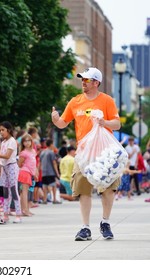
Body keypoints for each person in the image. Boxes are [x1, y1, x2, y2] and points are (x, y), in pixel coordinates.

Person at [51, 67, 121, 241]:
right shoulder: (75, 101)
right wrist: (55, 119)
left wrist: (104, 122)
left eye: (87, 80)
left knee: (108, 189)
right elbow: (62, 123)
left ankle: (105, 222)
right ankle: (85, 228)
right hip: (83, 153)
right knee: (83, 190)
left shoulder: (107, 100)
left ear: (96, 82)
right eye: (82, 79)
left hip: (104, 153)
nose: (83, 82)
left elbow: (117, 124)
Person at [0, 121, 21, 223]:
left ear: (8, 130)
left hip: (11, 167)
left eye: (3, 130)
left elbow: (7, 156)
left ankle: (18, 214)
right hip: (4, 168)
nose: (1, 132)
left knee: (14, 190)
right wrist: (0, 171)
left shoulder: (12, 141)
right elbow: (2, 159)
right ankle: (5, 214)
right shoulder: (3, 142)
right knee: (5, 191)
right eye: (0, 130)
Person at [18, 133, 38, 216]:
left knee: (28, 192)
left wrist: (35, 173)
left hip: (30, 173)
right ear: (22, 143)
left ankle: (26, 209)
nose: (27, 143)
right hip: (25, 172)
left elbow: (34, 164)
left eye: (29, 141)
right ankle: (24, 210)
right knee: (24, 192)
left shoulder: (33, 151)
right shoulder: (23, 153)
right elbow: (19, 164)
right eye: (25, 141)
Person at [40, 139, 61, 204]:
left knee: (45, 185)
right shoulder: (51, 152)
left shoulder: (42, 152)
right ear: (51, 144)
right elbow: (54, 163)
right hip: (51, 172)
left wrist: (39, 170)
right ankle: (54, 199)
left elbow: (40, 163)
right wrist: (57, 173)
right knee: (53, 185)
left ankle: (44, 199)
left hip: (44, 172)